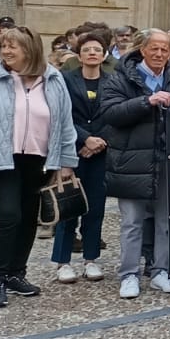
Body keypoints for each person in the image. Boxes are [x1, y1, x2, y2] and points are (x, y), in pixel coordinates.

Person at [0, 28, 79, 307]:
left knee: (28, 217)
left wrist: (66, 162)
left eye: (13, 46)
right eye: (3, 46)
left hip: (38, 160)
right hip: (1, 158)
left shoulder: (53, 78)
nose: (6, 51)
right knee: (8, 214)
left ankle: (16, 273)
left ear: (31, 48)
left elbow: (65, 124)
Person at [100, 28, 170, 299]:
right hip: (131, 160)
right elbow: (110, 112)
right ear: (142, 50)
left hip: (167, 158)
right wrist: (146, 101)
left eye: (164, 49)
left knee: (166, 219)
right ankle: (129, 274)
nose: (160, 54)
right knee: (132, 221)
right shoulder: (121, 76)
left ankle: (161, 270)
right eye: (154, 48)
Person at [52, 32, 113, 283]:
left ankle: (91, 258)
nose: (92, 53)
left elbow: (114, 113)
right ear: (79, 54)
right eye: (87, 49)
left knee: (95, 208)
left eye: (97, 49)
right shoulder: (66, 80)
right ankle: (63, 261)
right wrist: (84, 138)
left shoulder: (112, 81)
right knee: (69, 207)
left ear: (104, 54)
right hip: (72, 150)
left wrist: (98, 142)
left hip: (100, 153)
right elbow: (61, 115)